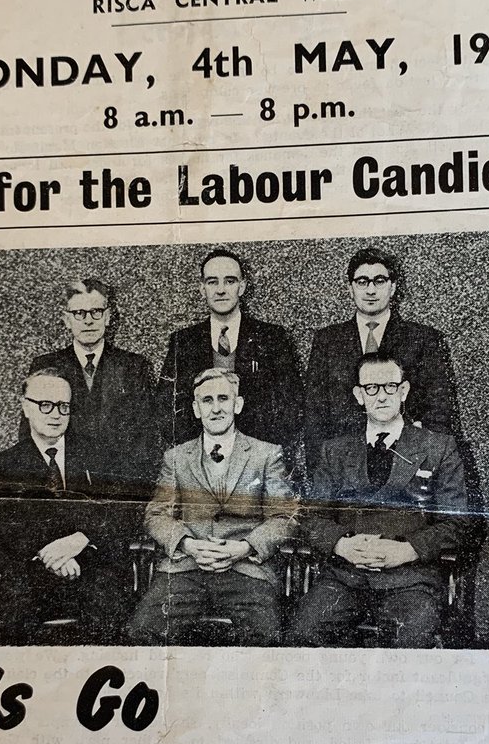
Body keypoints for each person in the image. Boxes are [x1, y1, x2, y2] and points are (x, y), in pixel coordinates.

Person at [291, 354, 470, 648]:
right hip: (344, 577)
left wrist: (409, 550)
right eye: (372, 388)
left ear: (404, 391)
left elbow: (459, 523)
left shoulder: (438, 447)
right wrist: (341, 544)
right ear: (359, 395)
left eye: (390, 386)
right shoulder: (334, 451)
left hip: (410, 580)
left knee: (411, 640)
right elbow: (311, 517)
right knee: (302, 634)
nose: (382, 397)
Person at [128, 368, 298, 645]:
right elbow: (157, 514)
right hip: (185, 569)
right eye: (207, 401)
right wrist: (185, 544)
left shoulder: (266, 454)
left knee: (266, 637)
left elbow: (284, 516)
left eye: (223, 399)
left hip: (246, 569)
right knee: (143, 630)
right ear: (196, 409)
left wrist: (244, 547)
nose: (216, 408)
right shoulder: (176, 457)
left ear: (237, 404)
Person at [0, 370, 127, 643]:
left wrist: (80, 540)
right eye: (45, 405)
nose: (55, 414)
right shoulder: (7, 463)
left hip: (90, 563)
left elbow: (119, 511)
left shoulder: (97, 455)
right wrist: (50, 554)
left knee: (111, 612)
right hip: (31, 569)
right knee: (15, 622)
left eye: (63, 406)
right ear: (26, 407)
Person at [304, 247, 458, 471]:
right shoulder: (327, 341)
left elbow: (439, 409)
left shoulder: (423, 339)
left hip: (405, 461)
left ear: (393, 287)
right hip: (344, 463)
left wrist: (425, 460)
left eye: (379, 281)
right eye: (362, 282)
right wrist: (320, 468)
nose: (371, 290)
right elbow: (315, 414)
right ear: (351, 288)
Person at [158, 249, 302, 457]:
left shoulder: (272, 337)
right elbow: (167, 409)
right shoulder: (183, 341)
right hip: (200, 460)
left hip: (257, 459)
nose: (221, 290)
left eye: (230, 281)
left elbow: (291, 406)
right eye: (212, 282)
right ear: (202, 288)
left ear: (242, 287)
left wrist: (259, 452)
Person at [28, 277, 157, 492]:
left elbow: (146, 439)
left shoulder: (134, 366)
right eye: (79, 313)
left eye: (96, 311)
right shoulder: (46, 365)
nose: (88, 320)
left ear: (107, 317)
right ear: (66, 319)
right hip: (65, 489)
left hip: (120, 490)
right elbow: (30, 436)